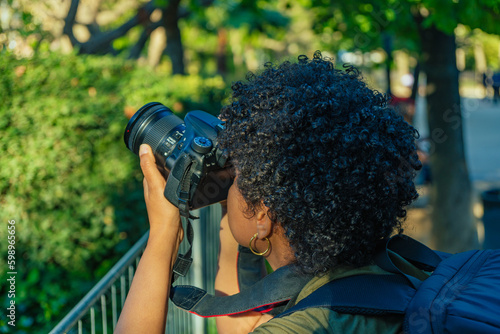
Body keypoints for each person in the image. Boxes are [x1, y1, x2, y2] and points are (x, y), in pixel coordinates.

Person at [115, 51, 422, 333]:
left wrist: (163, 233)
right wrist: (232, 195)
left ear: (264, 216)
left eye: (237, 179)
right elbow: (241, 326)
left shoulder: (307, 326)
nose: (230, 179)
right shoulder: (385, 272)